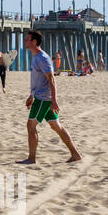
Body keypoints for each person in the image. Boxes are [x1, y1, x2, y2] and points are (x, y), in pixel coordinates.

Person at [20, 30, 81, 165]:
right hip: (41, 97)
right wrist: (31, 95)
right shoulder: (36, 57)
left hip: (44, 99)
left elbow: (51, 80)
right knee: (56, 126)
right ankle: (75, 154)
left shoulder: (43, 58)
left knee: (30, 126)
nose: (25, 41)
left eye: (28, 39)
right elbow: (38, 80)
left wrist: (54, 101)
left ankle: (31, 158)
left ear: (34, 42)